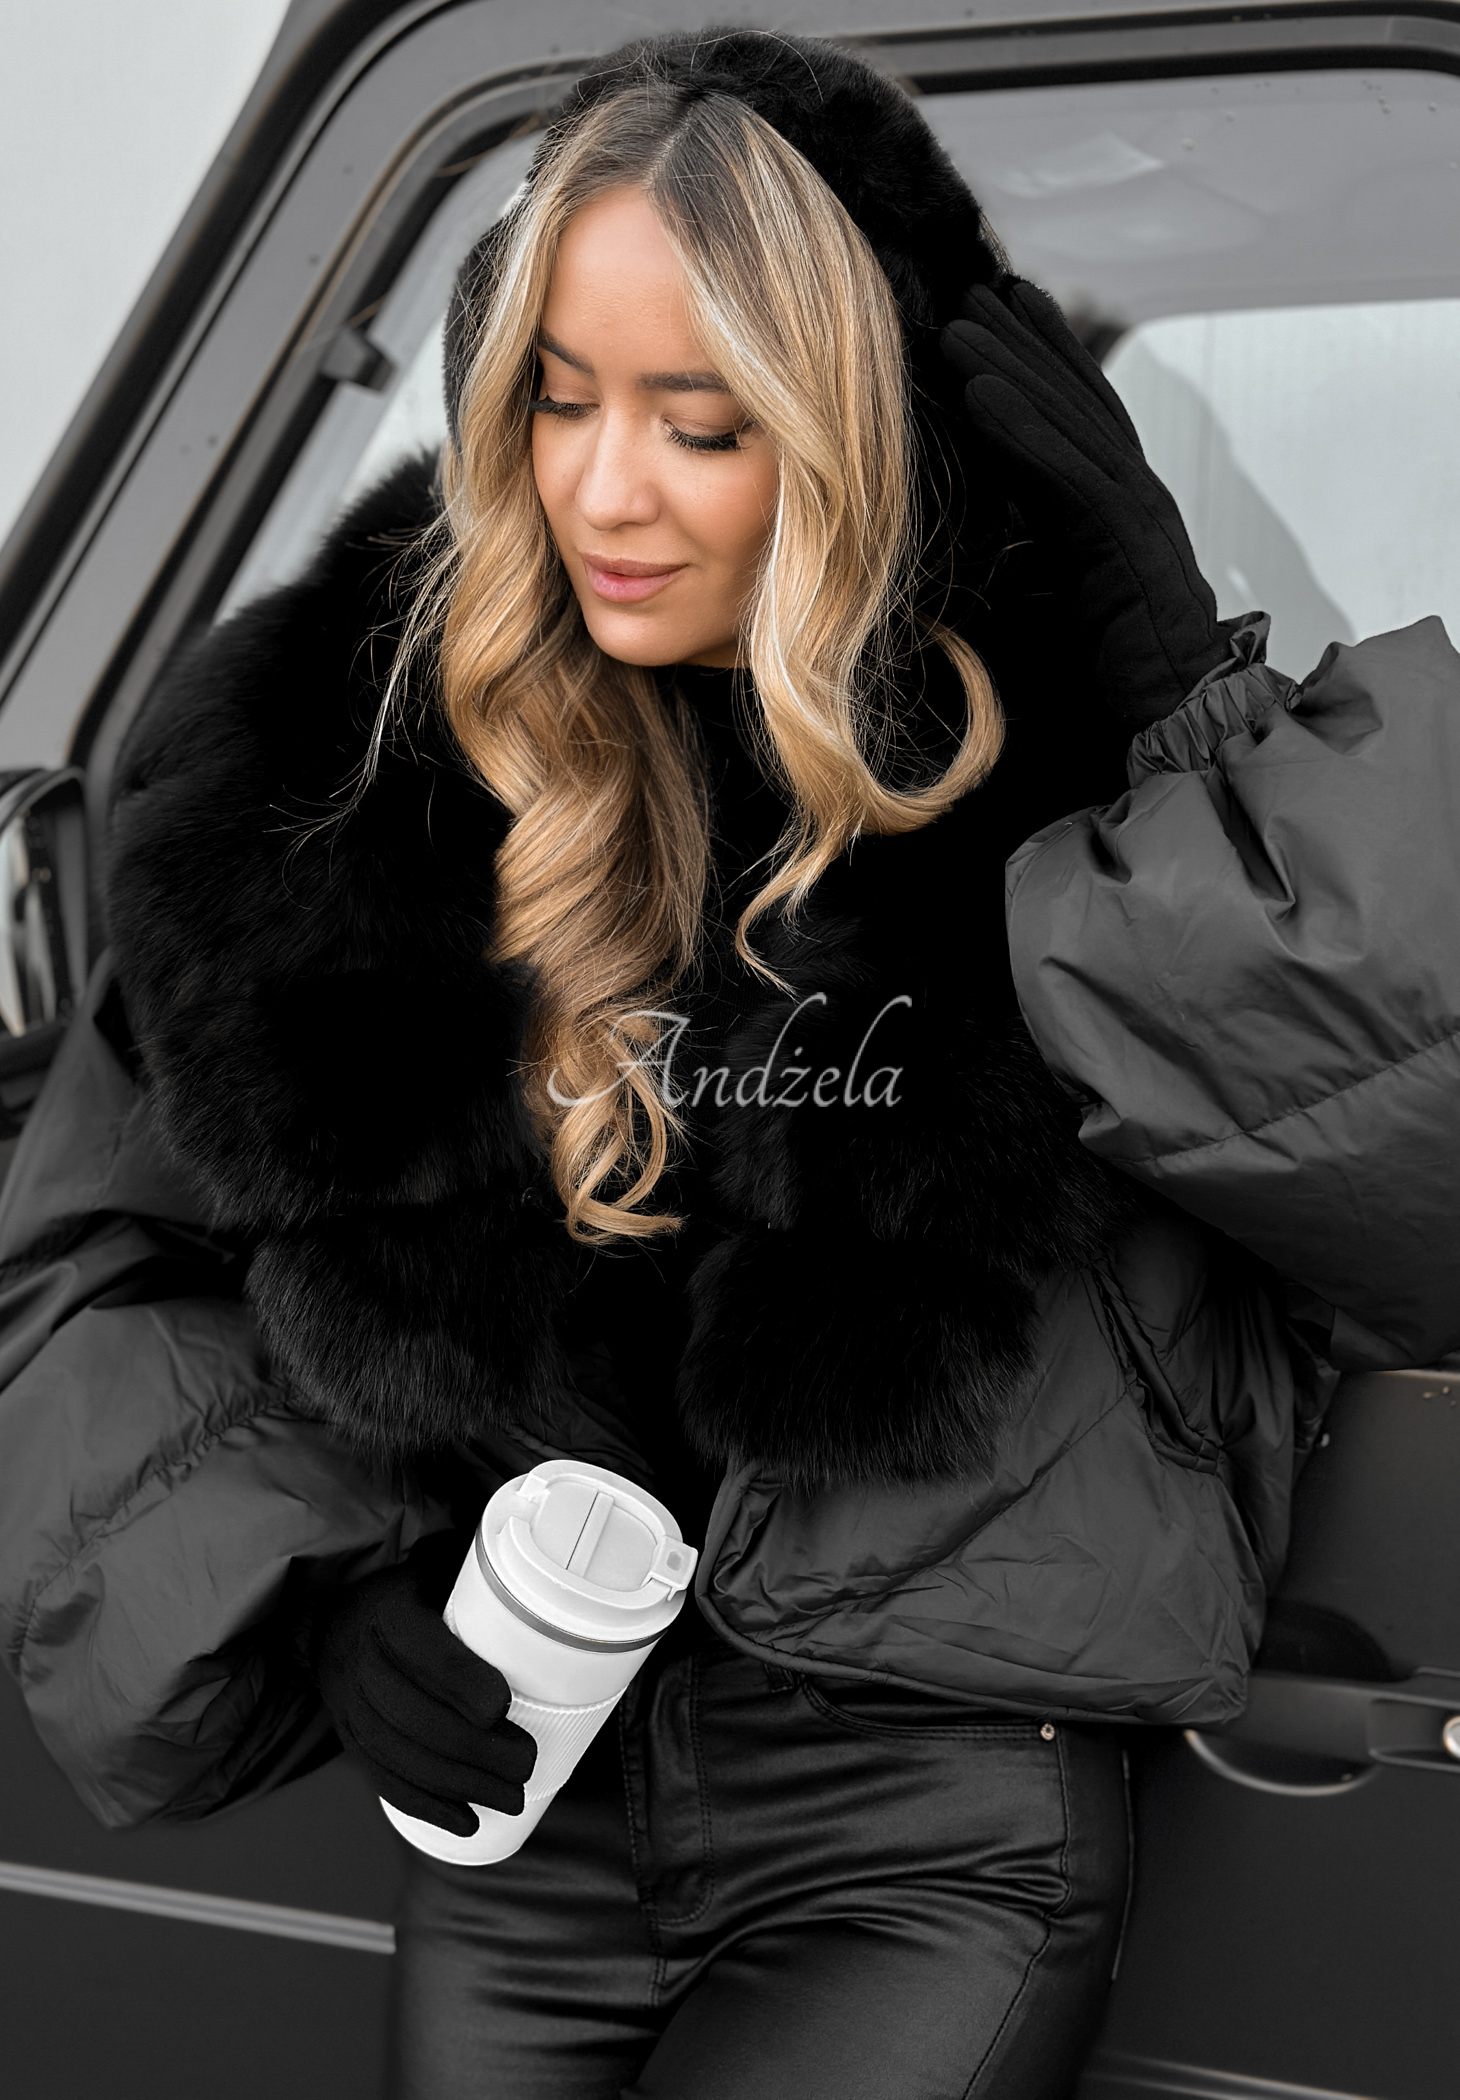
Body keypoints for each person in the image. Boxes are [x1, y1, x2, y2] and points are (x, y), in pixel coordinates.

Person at [3, 27, 1460, 2100]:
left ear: (845, 424)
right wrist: (301, 1584)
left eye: (699, 421)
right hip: (528, 1823)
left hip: (921, 1834)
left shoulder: (1095, 780)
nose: (604, 488)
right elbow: (92, 1254)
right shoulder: (344, 762)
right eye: (558, 397)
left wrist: (1195, 714)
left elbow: (1416, 1170)